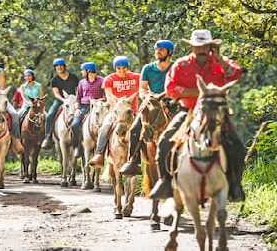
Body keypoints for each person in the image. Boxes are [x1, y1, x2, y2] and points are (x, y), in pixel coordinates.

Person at [149, 29, 246, 202]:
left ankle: (234, 184)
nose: (201, 50)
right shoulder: (181, 64)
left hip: (217, 112)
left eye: (204, 46)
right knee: (165, 142)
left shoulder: (220, 63)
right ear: (192, 47)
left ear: (211, 46)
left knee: (237, 146)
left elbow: (236, 73)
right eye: (197, 46)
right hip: (188, 111)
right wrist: (201, 93)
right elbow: (171, 89)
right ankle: (165, 182)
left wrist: (220, 60)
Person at [119, 40, 175, 176]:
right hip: (151, 103)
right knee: (134, 129)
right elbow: (142, 89)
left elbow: (177, 87)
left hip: (171, 102)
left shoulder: (175, 67)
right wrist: (148, 97)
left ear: (169, 52)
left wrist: (164, 98)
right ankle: (133, 161)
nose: (158, 52)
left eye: (161, 49)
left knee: (186, 124)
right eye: (156, 49)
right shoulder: (148, 68)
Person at [88, 56, 140, 168]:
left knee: (145, 128)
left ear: (128, 67)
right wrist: (120, 105)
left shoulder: (137, 77)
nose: (122, 71)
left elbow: (144, 91)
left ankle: (144, 157)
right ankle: (99, 154)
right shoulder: (109, 79)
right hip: (115, 111)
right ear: (115, 68)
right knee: (105, 127)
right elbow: (110, 98)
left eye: (124, 68)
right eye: (119, 68)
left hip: (132, 111)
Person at [41, 58, 79, 149]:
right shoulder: (54, 80)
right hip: (61, 100)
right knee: (49, 115)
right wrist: (63, 100)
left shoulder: (73, 77)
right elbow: (56, 94)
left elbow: (78, 90)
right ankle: (48, 137)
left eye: (61, 65)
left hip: (73, 100)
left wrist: (76, 100)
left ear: (64, 66)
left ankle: (81, 138)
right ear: (55, 68)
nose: (59, 67)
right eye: (57, 66)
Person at [71, 62, 105, 157]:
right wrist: (77, 108)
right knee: (74, 125)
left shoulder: (102, 80)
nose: (81, 72)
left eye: (83, 70)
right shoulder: (81, 82)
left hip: (98, 107)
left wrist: (96, 100)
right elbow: (78, 98)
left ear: (88, 70)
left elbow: (105, 96)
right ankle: (77, 146)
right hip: (84, 107)